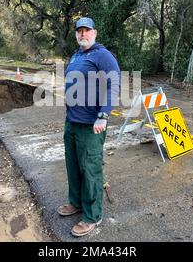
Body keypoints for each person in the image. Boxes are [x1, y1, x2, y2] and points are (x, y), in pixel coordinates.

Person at [58, 17, 120, 237]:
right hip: (72, 123)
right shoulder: (76, 55)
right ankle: (76, 203)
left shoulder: (102, 55)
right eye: (79, 31)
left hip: (91, 126)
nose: (82, 34)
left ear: (95, 32)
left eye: (86, 30)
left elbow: (114, 84)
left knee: (91, 170)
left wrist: (103, 116)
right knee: (73, 166)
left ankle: (93, 215)